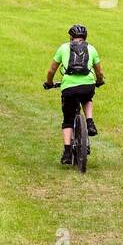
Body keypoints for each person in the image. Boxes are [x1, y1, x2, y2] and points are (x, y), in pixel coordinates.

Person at [44, 25, 104, 165]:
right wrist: (99, 81)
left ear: (71, 37)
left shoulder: (63, 48)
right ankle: (89, 122)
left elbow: (52, 70)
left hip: (69, 87)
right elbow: (100, 72)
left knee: (68, 119)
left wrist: (49, 83)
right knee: (87, 98)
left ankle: (67, 152)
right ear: (85, 37)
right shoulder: (91, 48)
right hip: (87, 85)